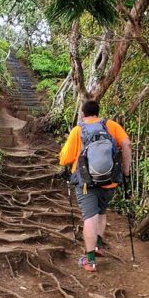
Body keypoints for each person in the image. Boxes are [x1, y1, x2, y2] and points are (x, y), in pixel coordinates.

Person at [59, 100, 132, 272]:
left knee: (89, 217)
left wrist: (64, 159)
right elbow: (127, 144)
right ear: (98, 112)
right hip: (110, 179)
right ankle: (98, 245)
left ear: (83, 113)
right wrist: (126, 170)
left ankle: (89, 260)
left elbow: (65, 159)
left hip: (86, 182)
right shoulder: (111, 126)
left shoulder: (78, 130)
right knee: (101, 212)